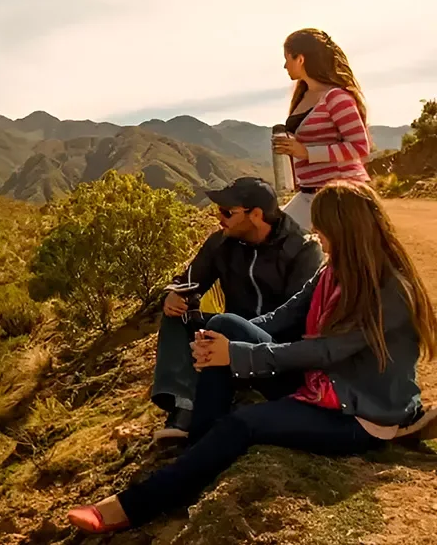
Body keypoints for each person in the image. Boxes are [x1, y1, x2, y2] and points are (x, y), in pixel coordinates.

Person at [68, 181, 437, 534]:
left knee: (243, 424)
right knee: (226, 324)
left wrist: (239, 355)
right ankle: (198, 453)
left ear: (346, 230)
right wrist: (221, 340)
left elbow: (326, 350)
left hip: (359, 412)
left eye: (323, 229)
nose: (317, 236)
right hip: (326, 385)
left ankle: (134, 506)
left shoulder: (390, 291)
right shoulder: (334, 270)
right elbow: (285, 316)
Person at [151, 176, 324, 441]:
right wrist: (173, 294)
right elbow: (187, 282)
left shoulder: (302, 248)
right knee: (177, 317)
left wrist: (236, 333)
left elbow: (296, 315)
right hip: (227, 335)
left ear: (255, 215)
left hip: (275, 349)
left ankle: (211, 418)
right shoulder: (221, 243)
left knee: (226, 324)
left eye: (227, 212)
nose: (220, 218)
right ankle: (183, 408)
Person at [274, 28, 373, 230]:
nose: (285, 66)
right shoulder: (303, 97)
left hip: (342, 196)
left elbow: (360, 146)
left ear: (300, 59)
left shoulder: (336, 97)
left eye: (287, 59)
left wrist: (306, 152)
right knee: (277, 235)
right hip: (310, 192)